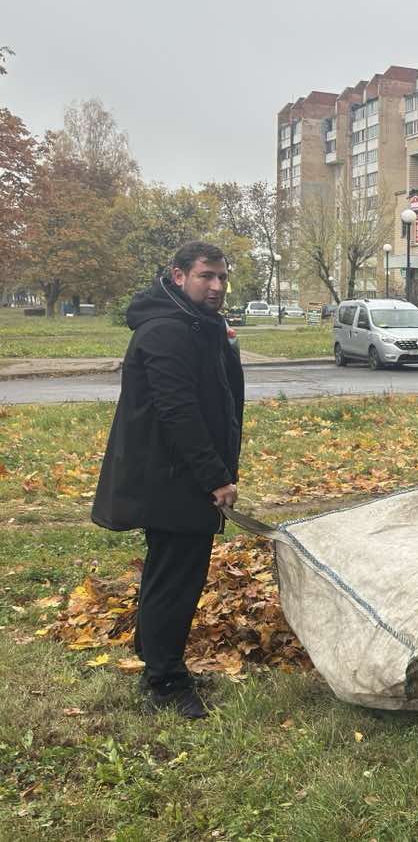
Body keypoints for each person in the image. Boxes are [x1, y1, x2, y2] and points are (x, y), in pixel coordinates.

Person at [91, 241, 244, 719]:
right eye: (206, 276)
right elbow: (178, 412)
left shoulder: (196, 322)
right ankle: (165, 682)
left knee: (171, 574)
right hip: (173, 478)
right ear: (178, 276)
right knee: (175, 580)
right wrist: (215, 478)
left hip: (183, 475)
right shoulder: (166, 330)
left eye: (222, 277)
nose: (216, 286)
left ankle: (158, 664)